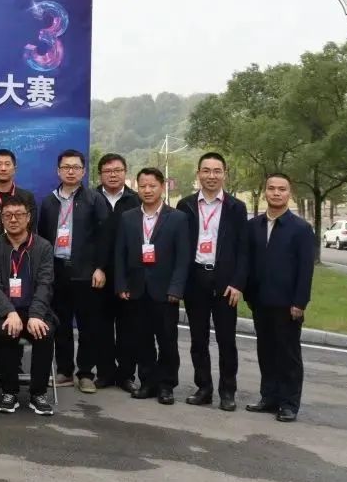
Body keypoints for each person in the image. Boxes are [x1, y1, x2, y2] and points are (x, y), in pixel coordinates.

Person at [176, 152, 248, 412]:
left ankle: (227, 392)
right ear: (198, 174)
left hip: (225, 282)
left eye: (217, 171)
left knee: (227, 341)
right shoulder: (185, 205)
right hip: (196, 279)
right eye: (206, 171)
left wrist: (238, 283)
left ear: (224, 174)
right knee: (198, 339)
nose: (211, 176)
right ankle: (203, 388)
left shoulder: (236, 207)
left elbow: (243, 250)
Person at [37, 149, 110, 393]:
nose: (71, 171)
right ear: (58, 171)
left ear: (83, 171)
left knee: (89, 326)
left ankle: (86, 373)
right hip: (57, 271)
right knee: (61, 324)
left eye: (76, 167)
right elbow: (42, 237)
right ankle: (65, 371)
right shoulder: (49, 202)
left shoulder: (94, 199)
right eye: (66, 167)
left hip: (86, 272)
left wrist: (100, 268)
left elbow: (104, 237)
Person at [114, 168, 189, 405]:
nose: (147, 190)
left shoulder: (177, 218)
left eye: (152, 186)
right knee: (142, 339)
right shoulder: (128, 217)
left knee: (167, 341)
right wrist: (121, 284)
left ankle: (166, 385)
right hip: (136, 290)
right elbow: (120, 254)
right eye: (143, 186)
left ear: (162, 187)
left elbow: (183, 257)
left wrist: (176, 288)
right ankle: (147, 382)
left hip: (165, 291)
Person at [245, 172, 314, 423]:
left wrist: (299, 302)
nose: (276, 193)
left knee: (288, 355)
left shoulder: (301, 229)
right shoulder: (253, 225)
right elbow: (248, 261)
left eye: (281, 189)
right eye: (271, 188)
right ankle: (269, 397)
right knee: (266, 351)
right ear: (265, 191)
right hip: (260, 301)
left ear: (289, 193)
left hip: (287, 304)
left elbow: (306, 270)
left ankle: (289, 403)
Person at [0, 195, 55, 416]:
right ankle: (9, 393)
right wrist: (9, 312)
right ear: (2, 219)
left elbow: (45, 283)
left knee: (44, 332)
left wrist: (36, 314)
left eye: (19, 215)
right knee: (7, 331)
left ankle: (38, 394)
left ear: (28, 217)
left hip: (35, 310)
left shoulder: (43, 246)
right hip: (6, 311)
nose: (13, 220)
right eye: (8, 215)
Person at [95, 153, 141, 392]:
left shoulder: (136, 200)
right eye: (107, 171)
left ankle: (126, 375)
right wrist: (97, 267)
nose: (113, 175)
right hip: (99, 275)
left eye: (117, 170)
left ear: (125, 173)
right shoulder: (91, 198)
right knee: (101, 327)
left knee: (128, 328)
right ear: (100, 174)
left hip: (129, 275)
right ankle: (104, 372)